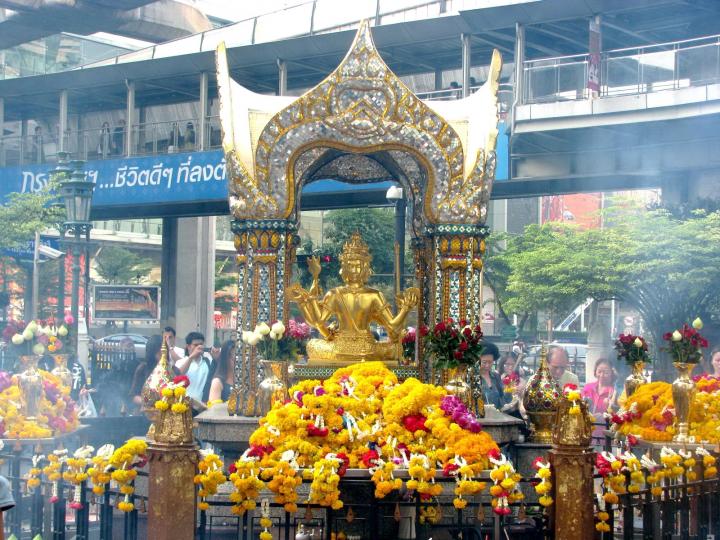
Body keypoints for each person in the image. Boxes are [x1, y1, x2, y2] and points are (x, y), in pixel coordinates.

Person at [175, 331, 215, 404]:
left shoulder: (208, 361)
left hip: (203, 405)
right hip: (185, 404)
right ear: (188, 346)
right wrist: (191, 357)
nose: (199, 347)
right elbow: (178, 375)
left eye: (201, 344)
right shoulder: (180, 362)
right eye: (196, 345)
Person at [129, 334, 163, 410]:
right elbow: (133, 395)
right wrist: (146, 402)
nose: (162, 353)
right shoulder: (143, 368)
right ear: (152, 351)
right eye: (159, 351)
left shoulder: (172, 369)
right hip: (146, 412)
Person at [475, 342, 509, 410]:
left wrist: (509, 391)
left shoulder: (496, 376)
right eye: (484, 362)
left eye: (490, 362)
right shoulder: (473, 377)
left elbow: (503, 399)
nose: (487, 365)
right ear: (478, 361)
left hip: (496, 417)